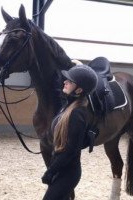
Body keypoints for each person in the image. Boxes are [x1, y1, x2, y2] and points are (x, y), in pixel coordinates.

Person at [42, 65, 98, 200]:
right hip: (61, 169)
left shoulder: (77, 114)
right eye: (66, 80)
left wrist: (50, 171)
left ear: (79, 90)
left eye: (70, 81)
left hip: (68, 173)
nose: (65, 82)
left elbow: (71, 151)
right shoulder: (67, 106)